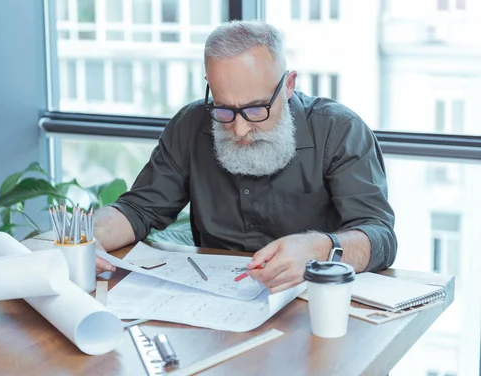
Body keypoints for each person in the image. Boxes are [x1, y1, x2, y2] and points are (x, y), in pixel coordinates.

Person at [92, 20, 397, 293]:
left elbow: (379, 236)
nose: (239, 129)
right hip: (215, 300)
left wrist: (318, 249)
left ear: (288, 86)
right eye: (224, 109)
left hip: (312, 301)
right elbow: (138, 209)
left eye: (256, 109)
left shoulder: (338, 130)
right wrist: (82, 239)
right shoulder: (190, 124)